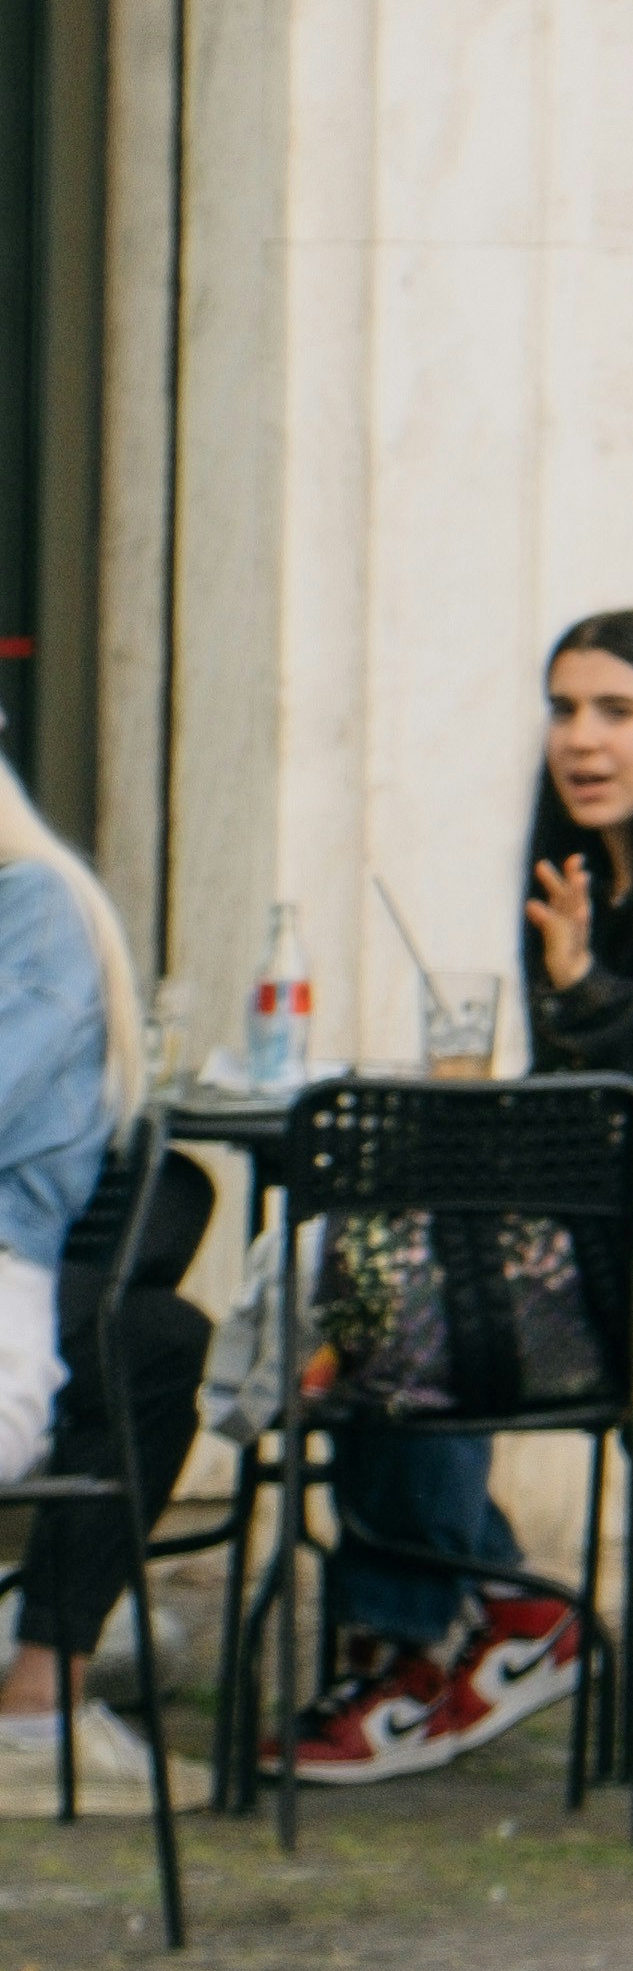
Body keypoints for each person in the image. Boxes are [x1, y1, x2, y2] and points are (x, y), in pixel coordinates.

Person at [277, 611, 633, 1786]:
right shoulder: (579, 867)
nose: (582, 739)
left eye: (615, 712)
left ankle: (430, 1640)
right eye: (564, 709)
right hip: (613, 1241)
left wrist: (589, 996)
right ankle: (488, 1614)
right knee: (375, 1276)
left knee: (420, 1308)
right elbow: (587, 1103)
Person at [0, 758, 217, 1816]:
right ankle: (42, 1705)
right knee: (156, 1339)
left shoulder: (34, 906)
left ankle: (40, 1710)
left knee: (157, 1337)